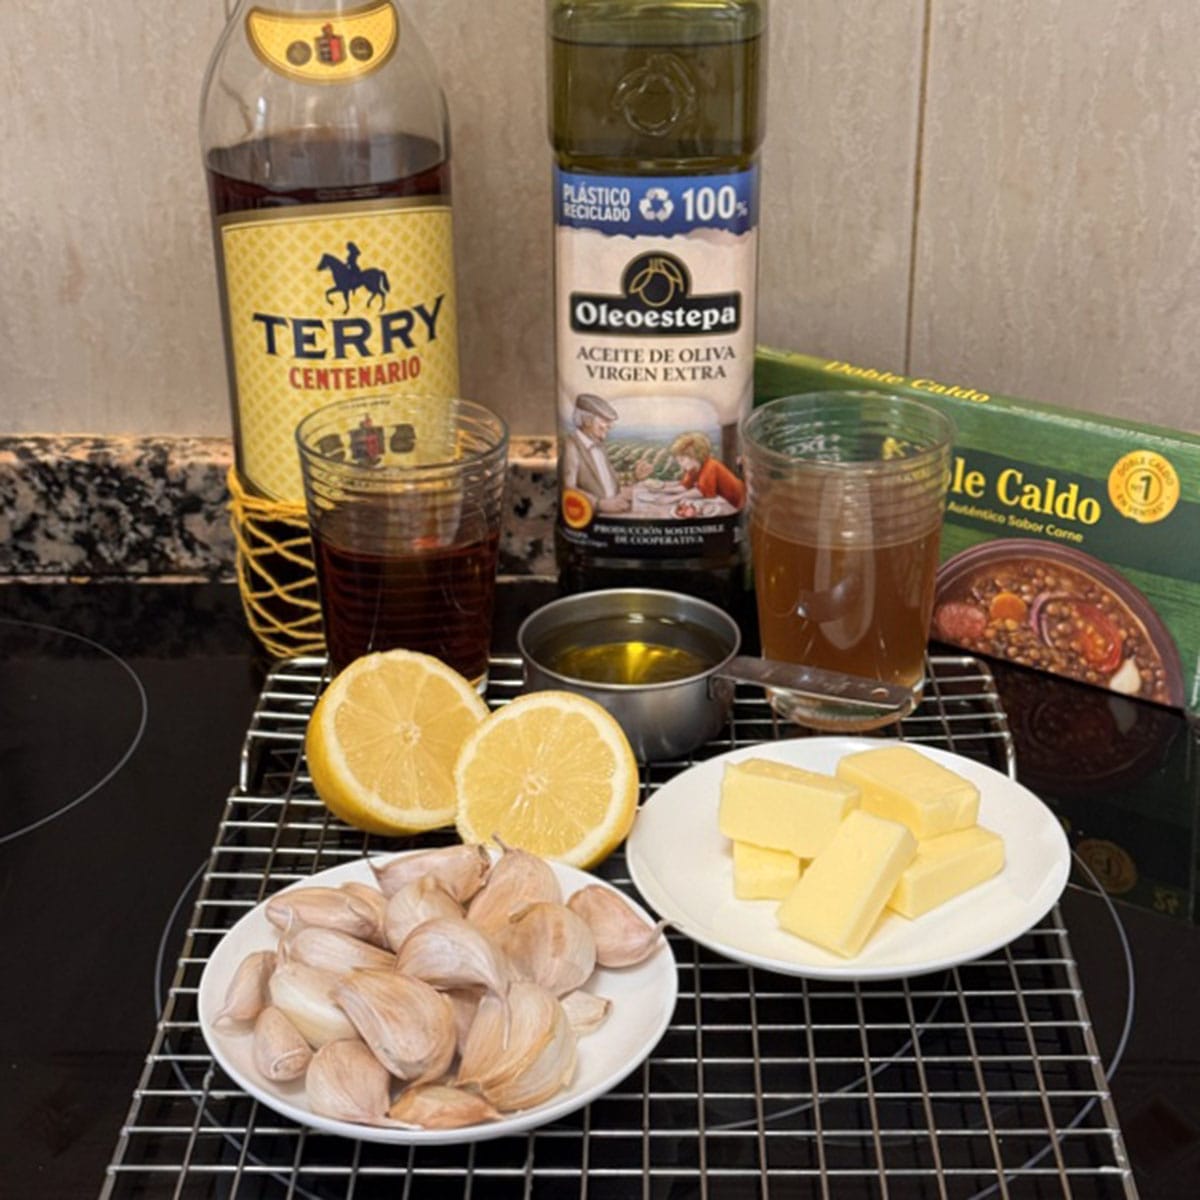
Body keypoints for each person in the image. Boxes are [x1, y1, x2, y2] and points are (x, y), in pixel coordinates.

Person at [560, 393, 651, 513]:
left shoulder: (599, 446)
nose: (611, 426)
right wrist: (600, 504)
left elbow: (608, 486)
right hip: (589, 516)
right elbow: (569, 488)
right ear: (587, 421)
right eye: (605, 421)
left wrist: (636, 478)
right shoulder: (571, 446)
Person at [669, 431, 745, 509]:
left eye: (682, 460)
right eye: (678, 461)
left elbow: (701, 492)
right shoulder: (693, 468)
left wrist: (674, 498)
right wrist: (661, 490)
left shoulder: (710, 466)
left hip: (740, 501)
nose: (680, 464)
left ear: (694, 455)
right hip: (725, 502)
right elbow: (685, 486)